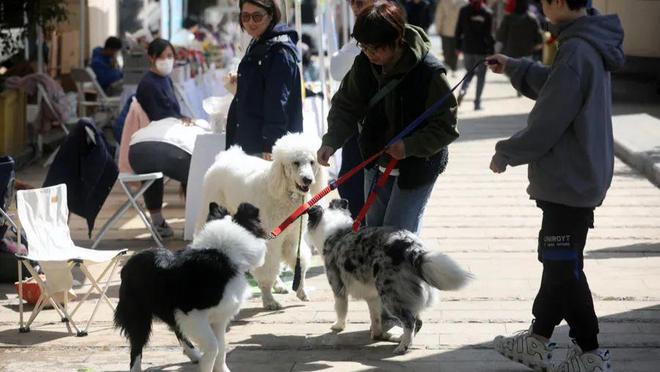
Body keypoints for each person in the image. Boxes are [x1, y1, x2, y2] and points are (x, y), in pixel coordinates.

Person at [487, 0, 623, 370]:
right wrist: (515, 68)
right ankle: (539, 339)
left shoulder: (577, 50)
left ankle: (589, 353)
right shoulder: (584, 42)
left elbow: (549, 119)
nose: (543, 8)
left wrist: (507, 153)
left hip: (569, 179)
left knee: (562, 266)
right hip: (576, 176)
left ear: (560, 2)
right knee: (559, 263)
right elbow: (555, 86)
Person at [317, 1, 459, 235]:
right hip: (376, 159)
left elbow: (447, 126)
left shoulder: (429, 72)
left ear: (397, 40)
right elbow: (346, 104)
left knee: (399, 234)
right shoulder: (364, 63)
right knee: (374, 232)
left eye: (376, 49)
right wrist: (331, 141)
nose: (370, 55)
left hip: (418, 163)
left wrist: (409, 146)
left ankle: (409, 271)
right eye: (365, 48)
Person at [226, 0, 303, 159]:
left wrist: (271, 145)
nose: (250, 22)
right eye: (245, 17)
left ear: (270, 16)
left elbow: (277, 103)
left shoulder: (279, 51)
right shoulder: (259, 41)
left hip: (263, 146)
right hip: (249, 139)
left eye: (257, 16)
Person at [132, 38, 192, 238]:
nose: (167, 60)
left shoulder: (164, 79)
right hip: (154, 141)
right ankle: (195, 218)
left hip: (166, 134)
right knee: (195, 164)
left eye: (170, 56)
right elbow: (160, 116)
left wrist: (182, 119)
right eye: (162, 56)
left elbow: (172, 111)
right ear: (151, 58)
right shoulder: (148, 84)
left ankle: (192, 217)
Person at [328, 0, 376, 220]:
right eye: (352, 1)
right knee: (351, 184)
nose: (355, 6)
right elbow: (338, 70)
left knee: (358, 187)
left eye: (360, 1)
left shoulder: (376, 24)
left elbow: (337, 68)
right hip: (357, 122)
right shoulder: (362, 27)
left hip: (375, 125)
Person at [454, 0, 494, 110]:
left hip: (467, 48)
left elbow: (458, 29)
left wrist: (457, 46)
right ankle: (477, 102)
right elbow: (489, 34)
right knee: (481, 76)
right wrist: (492, 51)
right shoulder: (487, 12)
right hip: (482, 49)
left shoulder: (464, 10)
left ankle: (463, 90)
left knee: (469, 72)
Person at [496, 0, 543, 87]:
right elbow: (539, 38)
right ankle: (520, 85)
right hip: (527, 52)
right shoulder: (532, 19)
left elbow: (500, 36)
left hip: (511, 52)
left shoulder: (508, 18)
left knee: (513, 72)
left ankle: (518, 84)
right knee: (524, 72)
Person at [434, 0, 468, 76]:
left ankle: (453, 68)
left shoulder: (464, 2)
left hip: (459, 31)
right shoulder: (443, 2)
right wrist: (438, 29)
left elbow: (466, 17)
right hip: (446, 30)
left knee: (456, 50)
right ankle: (448, 67)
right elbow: (439, 16)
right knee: (446, 50)